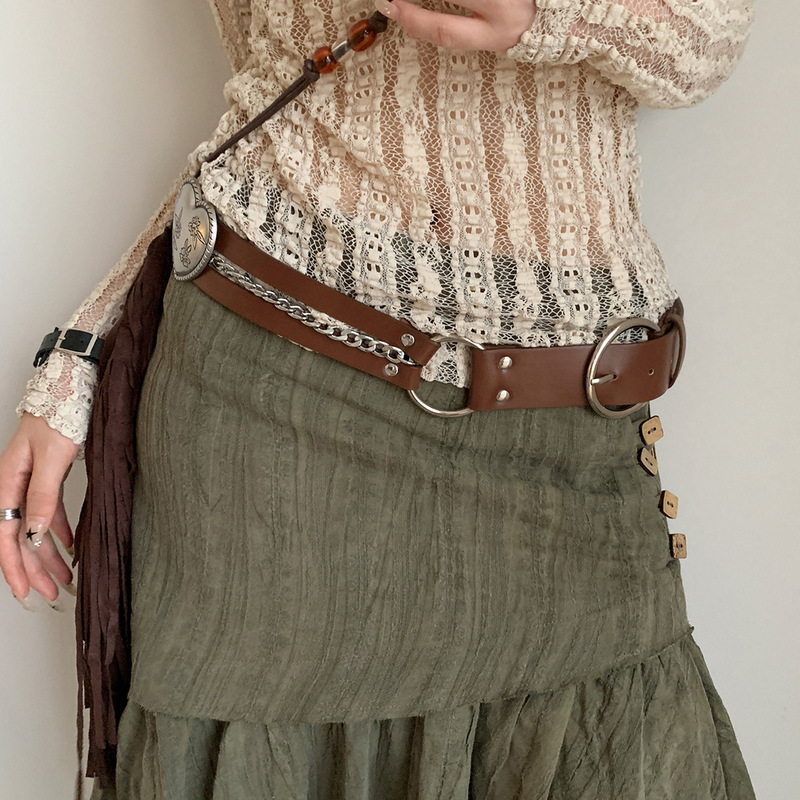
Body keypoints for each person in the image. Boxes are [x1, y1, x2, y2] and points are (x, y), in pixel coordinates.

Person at [0, 0, 757, 797]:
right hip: (274, 415)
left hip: (567, 440)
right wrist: (84, 348)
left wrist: (555, 11)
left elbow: (706, 40)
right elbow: (273, 89)